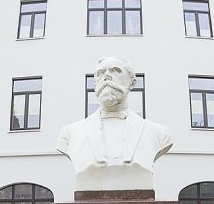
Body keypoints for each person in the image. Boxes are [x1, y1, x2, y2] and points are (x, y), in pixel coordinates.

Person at [57, 57, 173, 191]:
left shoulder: (158, 134)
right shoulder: (69, 134)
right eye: (100, 73)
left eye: (115, 71)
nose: (106, 76)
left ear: (132, 83)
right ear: (95, 85)